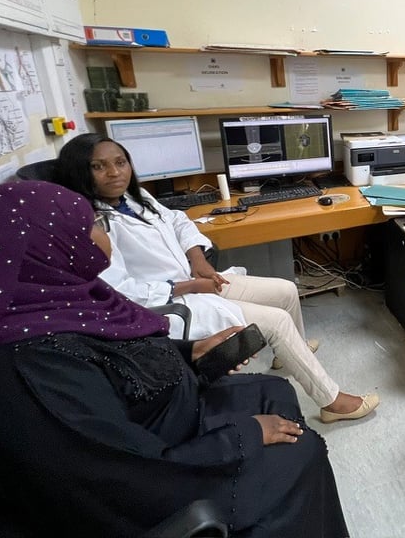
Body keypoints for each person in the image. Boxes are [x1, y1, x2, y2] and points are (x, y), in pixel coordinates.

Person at [0, 181, 349, 537]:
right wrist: (245, 435)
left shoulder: (60, 303)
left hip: (161, 419)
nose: (101, 233)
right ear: (42, 247)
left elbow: (113, 359)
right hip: (155, 478)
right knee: (302, 453)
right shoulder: (29, 371)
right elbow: (123, 479)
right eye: (90, 226)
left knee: (275, 389)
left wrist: (190, 353)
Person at [56, 133, 378, 424]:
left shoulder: (135, 197)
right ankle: (332, 402)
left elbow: (179, 220)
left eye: (120, 162)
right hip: (171, 303)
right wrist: (192, 285)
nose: (115, 172)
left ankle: (289, 354)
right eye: (99, 166)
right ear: (80, 173)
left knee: (286, 290)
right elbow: (124, 293)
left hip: (194, 280)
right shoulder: (92, 226)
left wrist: (197, 259)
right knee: (277, 321)